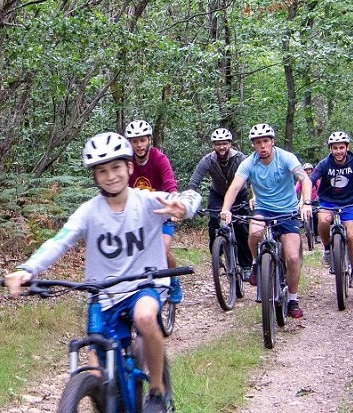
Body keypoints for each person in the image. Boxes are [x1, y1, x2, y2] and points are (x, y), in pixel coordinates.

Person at [3, 132, 202, 413]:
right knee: (97, 374)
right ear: (95, 176)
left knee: (146, 317)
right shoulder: (88, 212)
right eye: (102, 171)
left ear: (129, 168)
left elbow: (190, 196)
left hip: (143, 286)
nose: (110, 176)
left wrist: (184, 206)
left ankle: (158, 392)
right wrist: (26, 269)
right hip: (104, 296)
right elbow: (59, 241)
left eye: (116, 168)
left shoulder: (147, 201)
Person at [220, 123, 312, 319]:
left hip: (287, 211)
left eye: (265, 141)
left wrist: (306, 203)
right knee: (254, 232)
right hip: (263, 209)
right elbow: (235, 187)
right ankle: (256, 263)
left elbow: (304, 179)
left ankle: (293, 299)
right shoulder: (248, 163)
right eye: (257, 142)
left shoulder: (286, 158)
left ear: (272, 142)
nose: (262, 146)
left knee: (293, 258)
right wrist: (225, 209)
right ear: (253, 145)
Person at [124, 119, 184, 304]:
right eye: (135, 141)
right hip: (136, 215)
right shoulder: (127, 162)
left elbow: (170, 184)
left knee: (162, 251)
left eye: (142, 140)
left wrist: (173, 205)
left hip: (161, 213)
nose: (139, 145)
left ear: (149, 140)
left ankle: (173, 280)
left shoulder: (159, 159)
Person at [187, 128, 253, 280]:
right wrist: (190, 200)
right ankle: (217, 254)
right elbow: (194, 181)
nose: (221, 147)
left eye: (224, 144)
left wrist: (253, 196)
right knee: (214, 222)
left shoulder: (240, 158)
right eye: (218, 144)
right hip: (217, 194)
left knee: (241, 226)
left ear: (230, 144)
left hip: (239, 194)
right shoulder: (208, 160)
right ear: (213, 146)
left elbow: (251, 179)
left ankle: (246, 265)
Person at [310, 131, 353, 287]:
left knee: (351, 235)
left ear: (347, 148)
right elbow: (311, 179)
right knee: (323, 221)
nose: (338, 151)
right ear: (330, 149)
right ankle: (327, 250)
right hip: (327, 202)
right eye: (335, 148)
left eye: (341, 147)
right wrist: (303, 200)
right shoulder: (324, 164)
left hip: (348, 203)